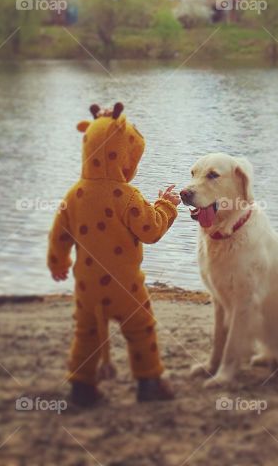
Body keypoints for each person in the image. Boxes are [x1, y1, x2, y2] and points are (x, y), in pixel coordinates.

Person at [48, 102, 181, 405]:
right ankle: (149, 384)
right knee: (141, 329)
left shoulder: (75, 194)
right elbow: (150, 231)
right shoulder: (126, 196)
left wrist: (58, 261)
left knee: (86, 334)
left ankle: (82, 389)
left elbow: (59, 234)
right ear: (123, 155)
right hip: (125, 285)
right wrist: (166, 205)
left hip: (87, 284)